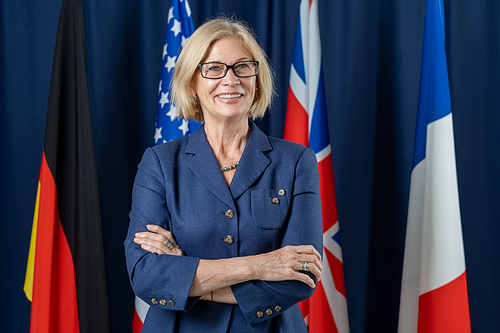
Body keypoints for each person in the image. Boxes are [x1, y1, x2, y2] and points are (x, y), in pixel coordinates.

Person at [124, 17, 323, 332]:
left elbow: (301, 275)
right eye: (214, 68)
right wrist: (262, 265)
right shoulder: (160, 163)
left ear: (256, 79)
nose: (230, 80)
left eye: (243, 67)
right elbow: (146, 274)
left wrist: (187, 276)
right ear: (193, 82)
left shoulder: (297, 161)